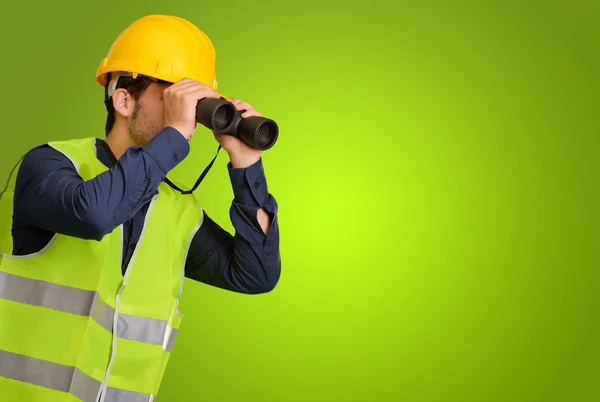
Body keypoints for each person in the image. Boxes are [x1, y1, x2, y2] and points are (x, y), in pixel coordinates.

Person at [0, 14, 281, 401]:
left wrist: (247, 165)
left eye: (195, 104)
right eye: (174, 98)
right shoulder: (49, 165)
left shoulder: (177, 211)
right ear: (124, 99)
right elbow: (95, 213)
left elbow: (256, 274)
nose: (187, 119)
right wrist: (175, 136)